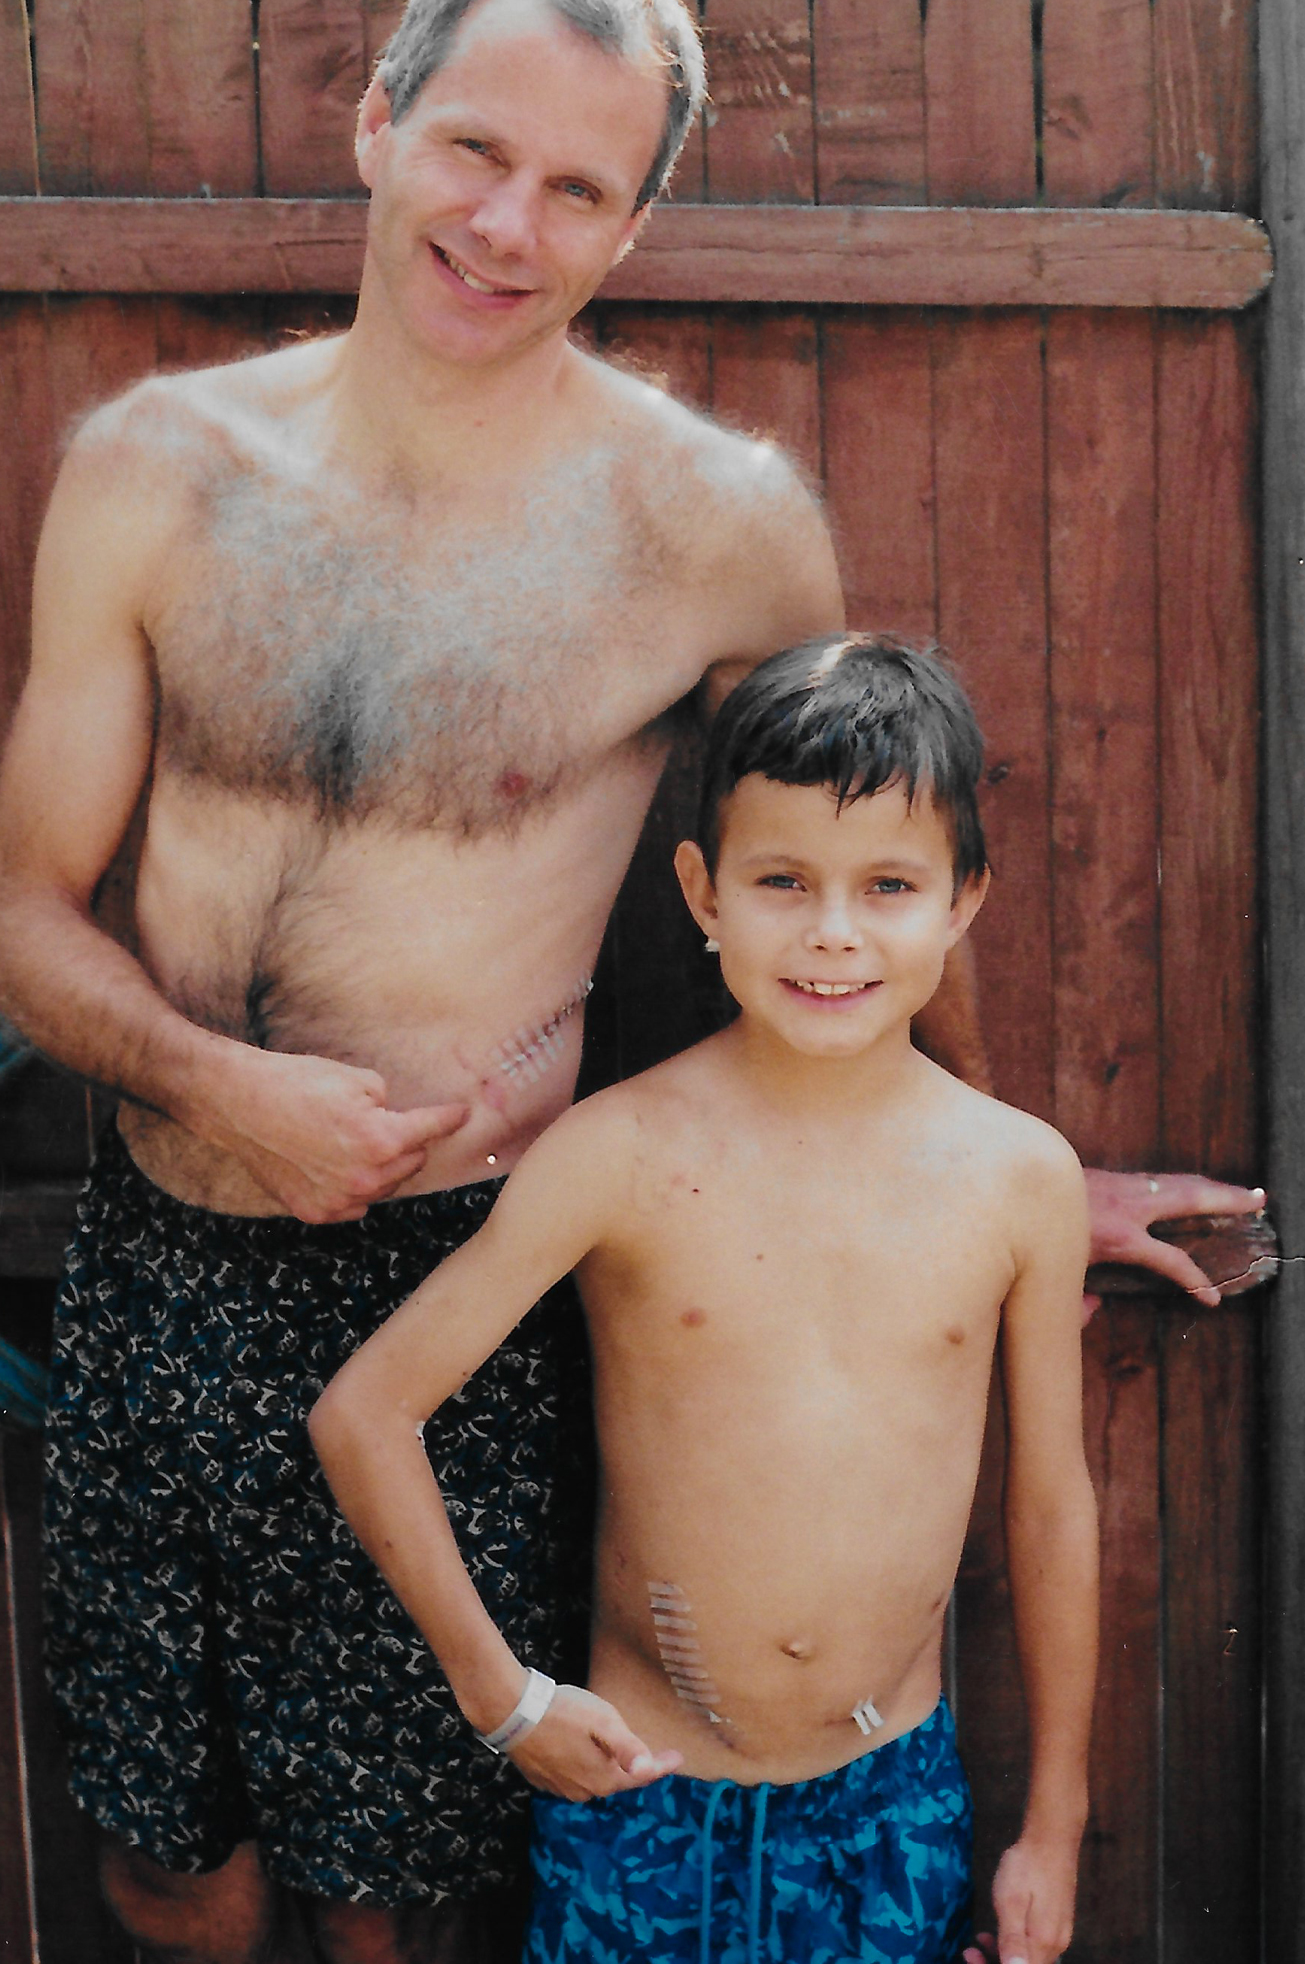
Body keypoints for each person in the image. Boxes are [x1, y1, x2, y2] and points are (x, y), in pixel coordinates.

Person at [0, 0, 1256, 1960]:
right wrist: (224, 1089)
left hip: (467, 1273)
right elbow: (22, 926)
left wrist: (1010, 1165)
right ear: (378, 124)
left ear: (637, 220)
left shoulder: (713, 523)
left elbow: (864, 850)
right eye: (475, 148)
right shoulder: (154, 471)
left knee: (396, 1905)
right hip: (158, 1268)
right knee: (163, 1864)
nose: (507, 221)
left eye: (580, 186)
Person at [311, 634, 1099, 1964]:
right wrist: (501, 1698)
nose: (832, 930)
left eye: (887, 884)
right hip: (636, 1796)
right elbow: (364, 1413)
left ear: (963, 899)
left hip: (886, 1804)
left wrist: (1054, 1826)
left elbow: (1048, 1505)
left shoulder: (1019, 1177)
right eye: (781, 879)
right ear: (703, 889)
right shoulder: (615, 1153)